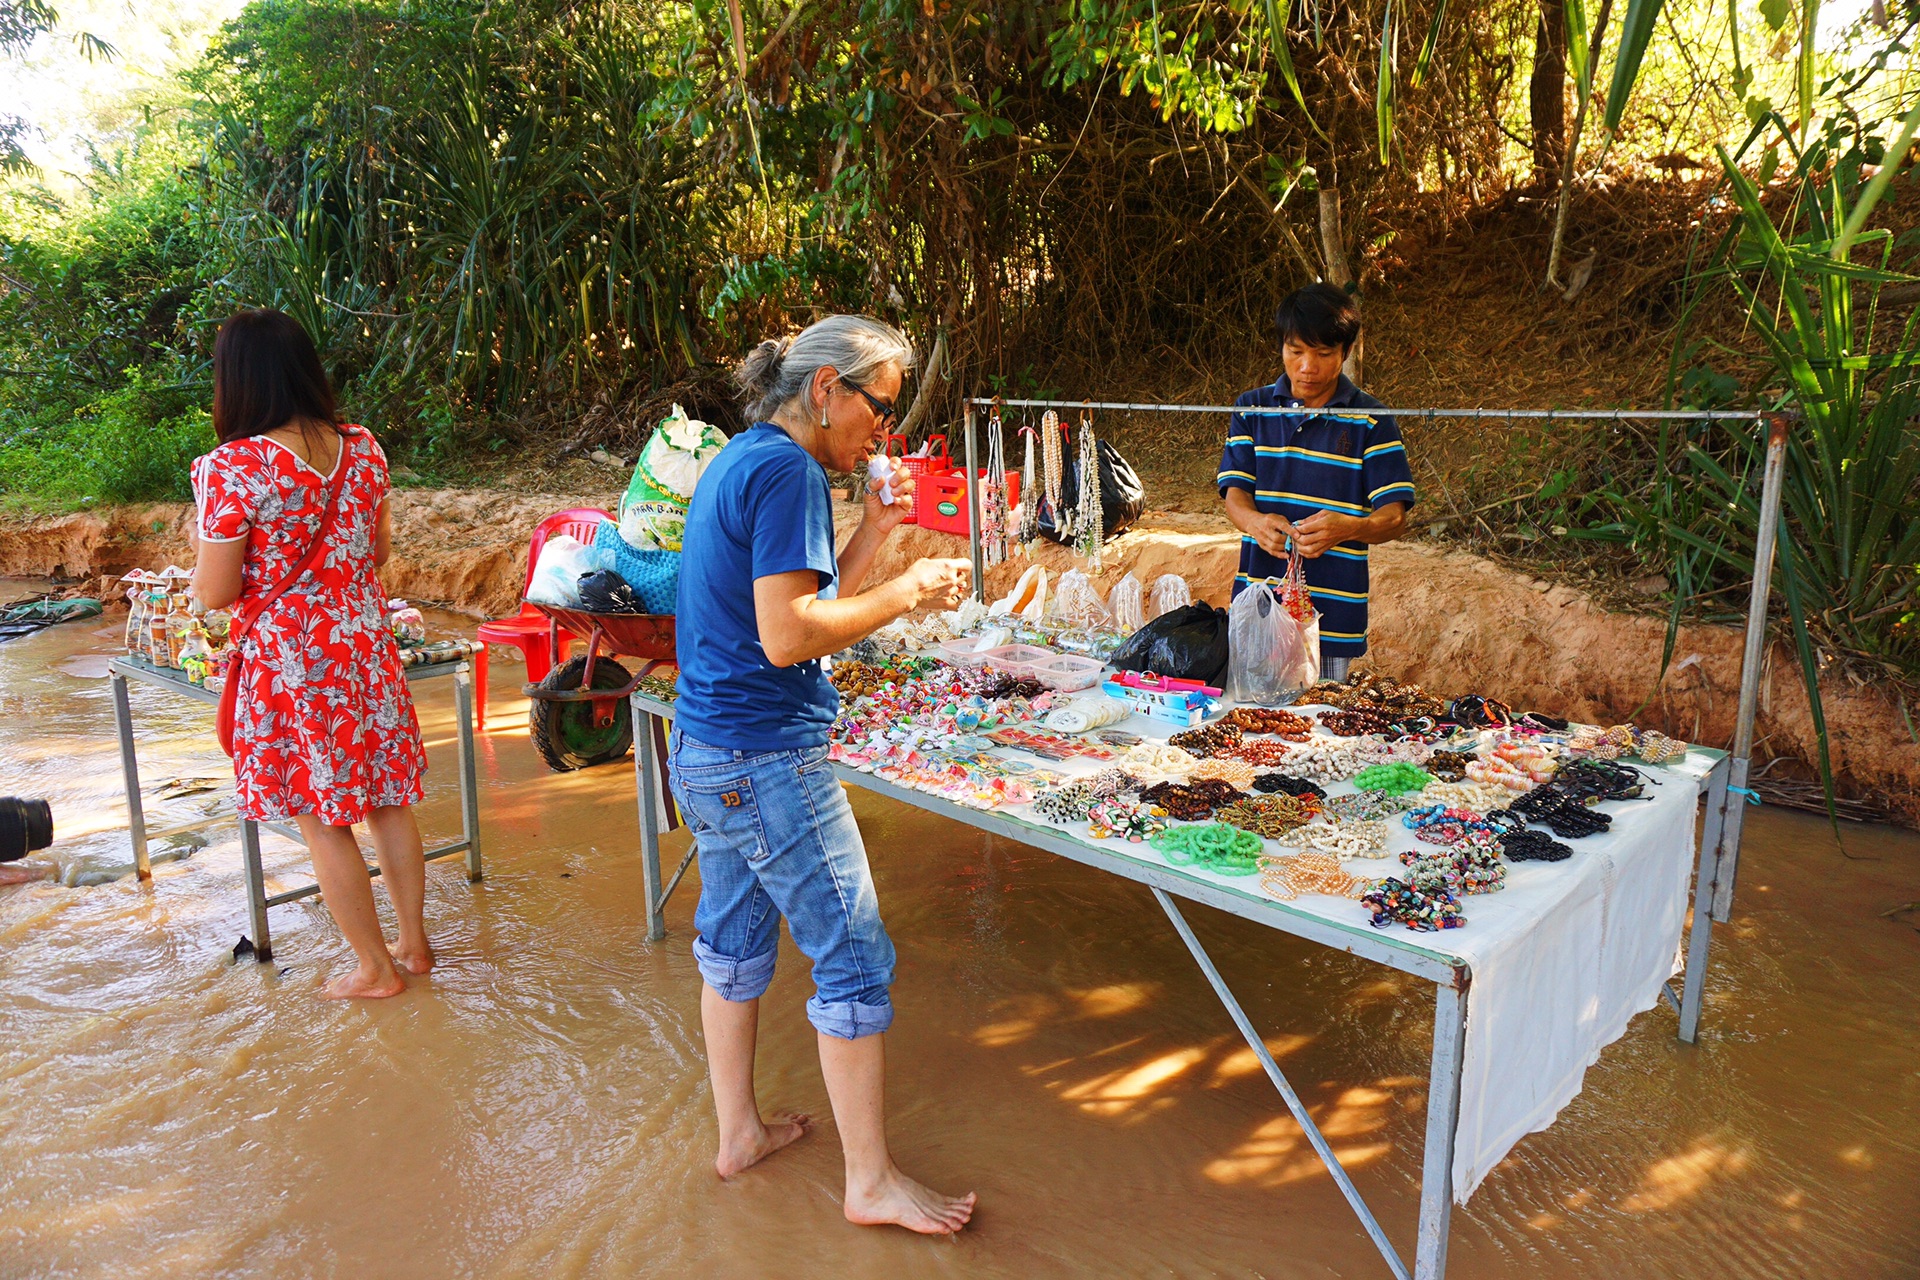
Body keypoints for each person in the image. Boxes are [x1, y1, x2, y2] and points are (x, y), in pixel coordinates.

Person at [668, 315, 977, 1235]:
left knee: (730, 944)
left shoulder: (742, 457)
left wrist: (878, 533)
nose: (882, 433)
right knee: (851, 957)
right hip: (766, 759)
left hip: (708, 749)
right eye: (879, 409)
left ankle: (739, 1136)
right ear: (826, 389)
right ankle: (870, 1182)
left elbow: (796, 603)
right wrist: (909, 593)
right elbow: (790, 636)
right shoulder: (791, 471)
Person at [190, 309, 433, 1000]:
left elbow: (214, 591)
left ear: (235, 380)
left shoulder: (232, 467)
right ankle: (413, 947)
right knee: (387, 800)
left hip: (295, 664)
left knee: (322, 815)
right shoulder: (363, 448)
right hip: (364, 644)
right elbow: (377, 552)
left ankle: (374, 970)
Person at [1218, 283, 1416, 681]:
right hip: (1259, 605)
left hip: (1332, 618)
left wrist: (1349, 528)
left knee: (1319, 730)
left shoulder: (1371, 419)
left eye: (1324, 354)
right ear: (1282, 348)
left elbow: (1394, 517)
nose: (1307, 367)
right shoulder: (1252, 409)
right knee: (1254, 723)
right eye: (1296, 351)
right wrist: (1256, 523)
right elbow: (1234, 494)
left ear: (1345, 353)